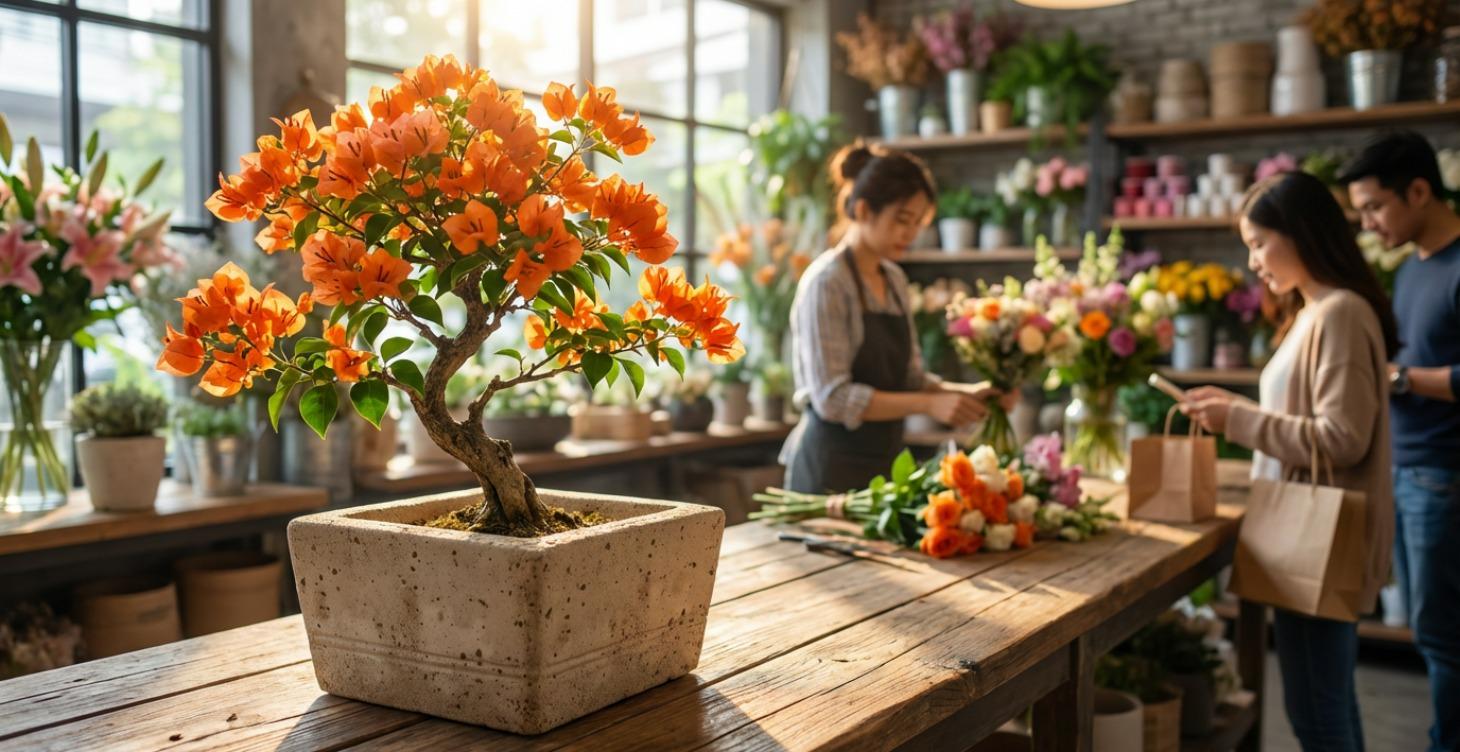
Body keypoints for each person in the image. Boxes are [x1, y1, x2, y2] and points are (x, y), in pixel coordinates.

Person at [1183, 171, 1397, 752]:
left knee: (1318, 716)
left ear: (1301, 232)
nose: (1253, 262)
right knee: (1326, 705)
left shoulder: (1339, 313)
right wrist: (1239, 410)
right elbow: (1311, 419)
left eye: (1259, 243)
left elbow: (1343, 438)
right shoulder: (1313, 310)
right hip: (1306, 530)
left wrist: (1237, 420)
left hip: (1318, 534)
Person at [780, 142, 1009, 494]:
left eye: (918, 222)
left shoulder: (894, 279)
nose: (911, 233)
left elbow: (910, 379)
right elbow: (833, 398)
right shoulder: (827, 282)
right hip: (829, 470)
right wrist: (929, 404)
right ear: (863, 209)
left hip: (883, 464)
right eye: (903, 220)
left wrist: (967, 395)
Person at [1340, 130, 1460, 752]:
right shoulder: (1413, 267)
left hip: (1443, 473)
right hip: (1407, 467)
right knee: (1430, 632)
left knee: (1445, 637)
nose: (1367, 224)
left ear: (1418, 191)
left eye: (1375, 207)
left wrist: (1402, 378)